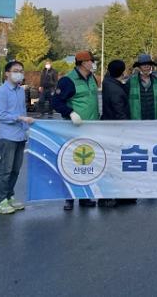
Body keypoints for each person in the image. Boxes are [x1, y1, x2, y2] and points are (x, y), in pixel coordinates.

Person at [51, 50, 100, 211]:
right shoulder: (68, 80)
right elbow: (56, 102)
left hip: (90, 128)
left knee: (86, 163)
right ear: (83, 63)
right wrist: (70, 113)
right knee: (72, 163)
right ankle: (69, 198)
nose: (93, 64)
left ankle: (84, 197)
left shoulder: (92, 78)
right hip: (74, 129)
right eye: (91, 61)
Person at [0, 61, 35, 215]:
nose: (19, 74)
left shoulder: (20, 91)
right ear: (7, 73)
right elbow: (1, 115)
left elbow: (23, 111)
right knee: (6, 169)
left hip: (20, 136)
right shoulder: (2, 92)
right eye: (16, 71)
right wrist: (20, 118)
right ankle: (0, 201)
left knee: (15, 169)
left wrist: (26, 129)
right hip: (7, 136)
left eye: (21, 71)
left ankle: (9, 196)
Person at [100, 59, 130, 207]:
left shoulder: (108, 83)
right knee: (115, 163)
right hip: (116, 130)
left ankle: (117, 194)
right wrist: (126, 129)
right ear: (122, 72)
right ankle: (110, 195)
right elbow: (120, 112)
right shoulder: (116, 89)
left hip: (108, 126)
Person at [128, 53, 157, 121]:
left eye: (148, 64)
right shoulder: (131, 81)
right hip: (137, 119)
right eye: (143, 64)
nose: (146, 66)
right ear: (139, 67)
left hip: (153, 118)